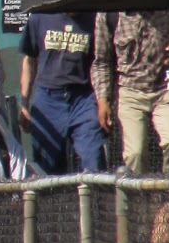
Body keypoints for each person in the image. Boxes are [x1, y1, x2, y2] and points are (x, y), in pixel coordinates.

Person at [92, 9, 169, 174]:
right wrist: (103, 100)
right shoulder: (110, 14)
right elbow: (102, 61)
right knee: (134, 153)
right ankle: (140, 198)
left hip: (165, 86)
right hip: (130, 91)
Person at [18, 10, 106, 172]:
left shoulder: (95, 18)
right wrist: (24, 104)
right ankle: (54, 198)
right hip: (48, 97)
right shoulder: (39, 17)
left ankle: (94, 196)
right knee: (47, 166)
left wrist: (103, 101)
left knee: (93, 158)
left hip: (83, 97)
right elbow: (29, 61)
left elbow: (102, 62)